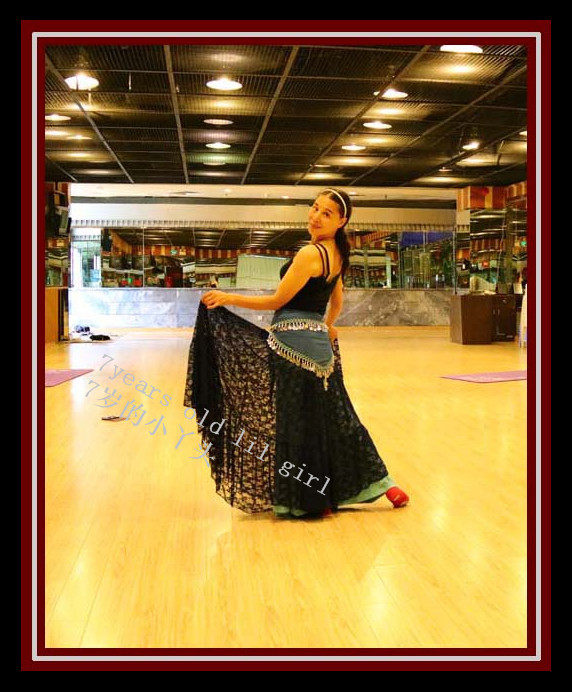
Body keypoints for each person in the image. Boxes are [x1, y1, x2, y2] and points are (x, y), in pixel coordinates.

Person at [184, 188, 409, 518]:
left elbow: (277, 301)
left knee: (296, 423)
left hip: (290, 346)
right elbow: (337, 302)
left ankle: (311, 501)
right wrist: (326, 326)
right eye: (315, 208)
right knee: (338, 419)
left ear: (341, 221)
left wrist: (229, 298)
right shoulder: (338, 255)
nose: (315, 217)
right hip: (321, 350)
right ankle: (386, 485)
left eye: (326, 213)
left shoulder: (309, 254)